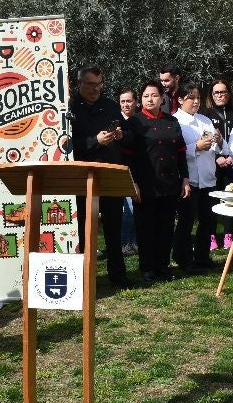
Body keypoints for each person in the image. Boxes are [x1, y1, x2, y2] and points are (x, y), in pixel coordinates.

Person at [122, 80, 190, 284]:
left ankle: (163, 266)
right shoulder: (133, 122)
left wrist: (185, 178)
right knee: (146, 228)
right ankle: (147, 268)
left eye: (153, 95)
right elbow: (127, 157)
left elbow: (181, 153)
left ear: (162, 98)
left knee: (166, 227)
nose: (149, 99)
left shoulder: (172, 122)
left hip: (169, 183)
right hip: (145, 184)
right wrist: (132, 182)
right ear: (140, 100)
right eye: (145, 96)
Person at [68, 65, 129, 286]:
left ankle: (118, 275)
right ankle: (85, 278)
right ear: (79, 83)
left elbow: (123, 133)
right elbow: (66, 144)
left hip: (111, 173)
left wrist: (118, 134)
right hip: (83, 177)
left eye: (99, 85)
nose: (96, 89)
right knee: (84, 228)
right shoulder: (69, 107)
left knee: (114, 227)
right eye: (91, 85)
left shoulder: (111, 106)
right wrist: (95, 141)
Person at [173, 83, 220, 273]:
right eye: (191, 98)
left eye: (198, 98)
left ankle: (203, 256)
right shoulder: (176, 121)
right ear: (181, 100)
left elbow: (216, 149)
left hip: (208, 177)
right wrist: (196, 147)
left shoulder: (205, 120)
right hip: (189, 178)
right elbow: (175, 151)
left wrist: (217, 141)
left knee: (208, 220)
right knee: (186, 221)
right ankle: (183, 258)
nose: (196, 102)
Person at [204, 78, 233, 250]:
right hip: (213, 163)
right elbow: (205, 139)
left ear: (229, 93)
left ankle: (229, 234)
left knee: (230, 199)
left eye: (223, 92)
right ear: (211, 95)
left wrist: (232, 157)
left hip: (232, 163)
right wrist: (216, 158)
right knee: (212, 200)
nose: (220, 95)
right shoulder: (206, 114)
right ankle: (212, 235)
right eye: (216, 93)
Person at [117, 88, 138, 256]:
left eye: (128, 101)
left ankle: (135, 242)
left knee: (136, 208)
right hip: (122, 171)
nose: (126, 104)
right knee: (127, 210)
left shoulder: (140, 121)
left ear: (136, 102)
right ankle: (125, 243)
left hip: (139, 170)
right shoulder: (116, 122)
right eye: (122, 101)